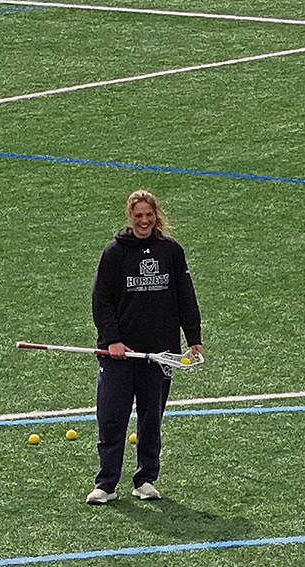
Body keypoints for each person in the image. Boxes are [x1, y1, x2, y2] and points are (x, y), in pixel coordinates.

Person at [87, 188, 204, 504]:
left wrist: (193, 339)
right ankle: (106, 484)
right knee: (112, 418)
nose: (144, 221)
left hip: (160, 354)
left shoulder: (171, 251)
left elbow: (185, 297)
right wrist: (112, 340)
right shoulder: (114, 252)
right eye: (138, 215)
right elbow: (102, 301)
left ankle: (145, 480)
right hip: (118, 355)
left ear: (156, 216)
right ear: (130, 216)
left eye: (149, 215)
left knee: (151, 419)